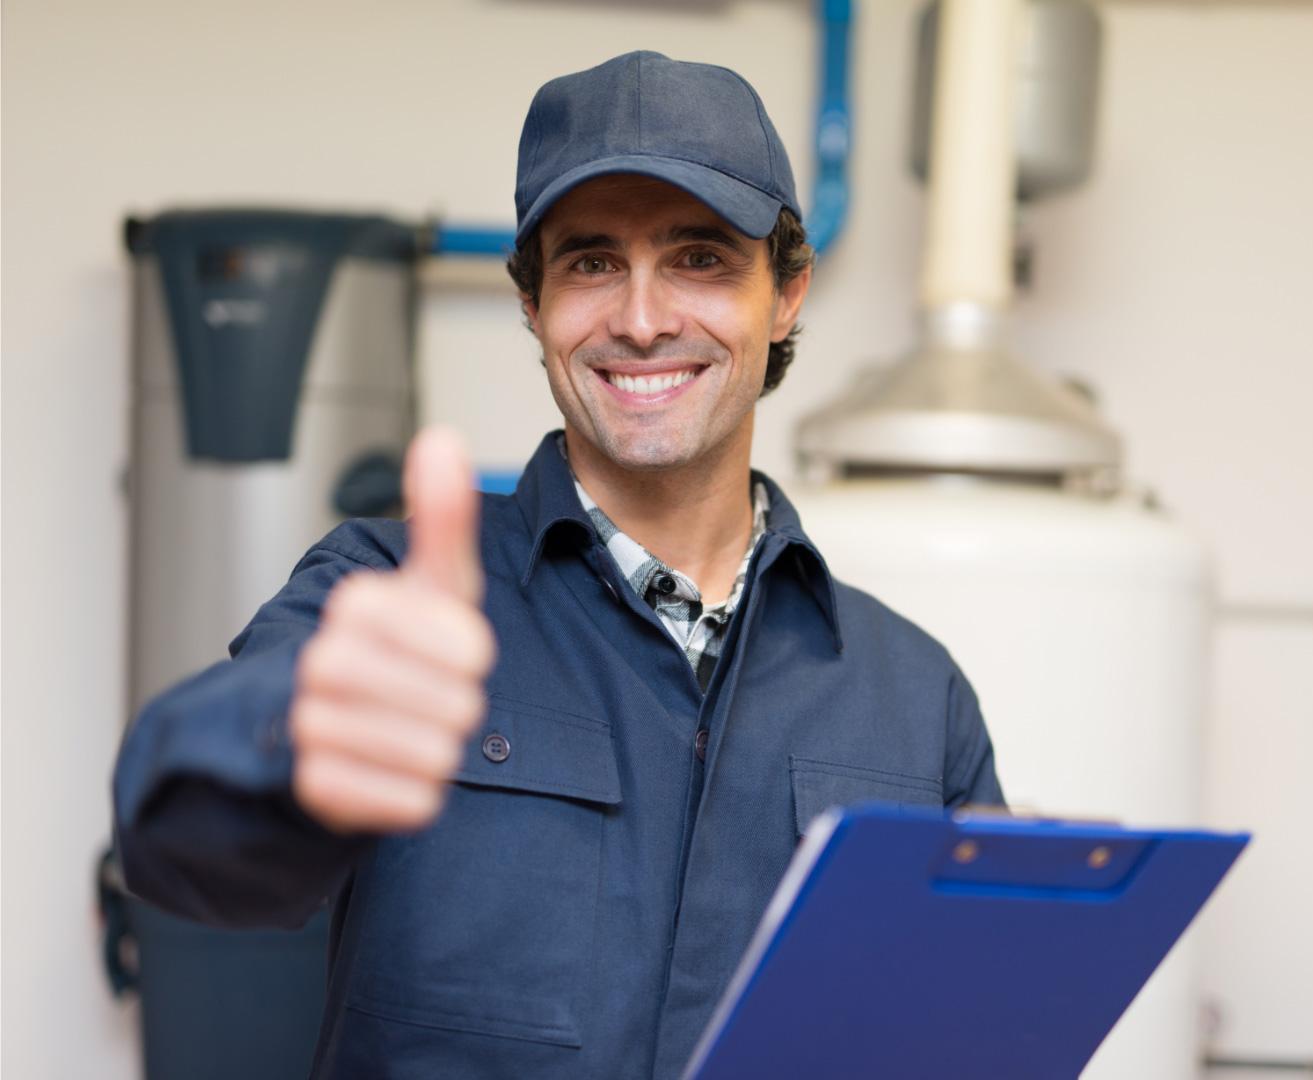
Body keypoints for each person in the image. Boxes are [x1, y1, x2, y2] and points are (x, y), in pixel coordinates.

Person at [113, 50, 1002, 1079]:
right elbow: (177, 843)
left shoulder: (914, 696)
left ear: (788, 293)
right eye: (589, 262)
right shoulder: (381, 596)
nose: (640, 318)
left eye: (700, 258)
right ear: (533, 305)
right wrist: (287, 737)